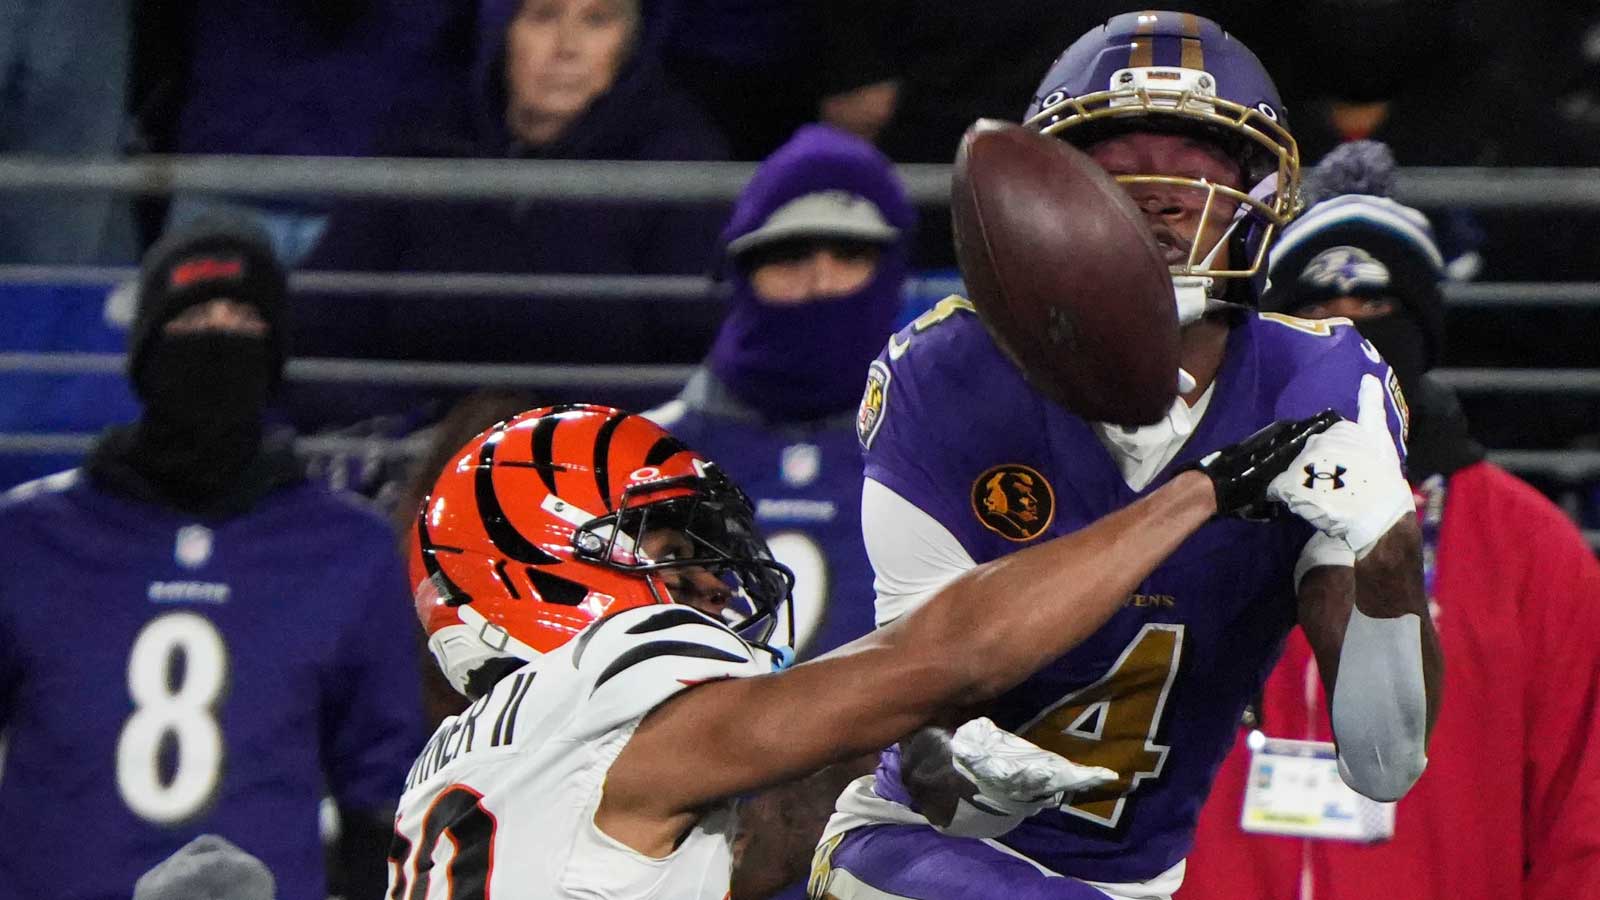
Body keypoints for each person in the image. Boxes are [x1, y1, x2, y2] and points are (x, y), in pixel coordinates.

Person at [807, 13, 1440, 900]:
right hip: (920, 857)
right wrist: (957, 775)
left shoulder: (1322, 380)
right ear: (1041, 200)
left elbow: (1384, 759)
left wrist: (1388, 550)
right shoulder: (947, 373)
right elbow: (912, 708)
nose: (1163, 193)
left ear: (1261, 189)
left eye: (1199, 160)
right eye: (1120, 161)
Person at [389, 401, 1346, 899]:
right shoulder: (600, 678)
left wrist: (898, 759)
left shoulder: (477, 757)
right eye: (672, 551)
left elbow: (758, 850)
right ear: (534, 561)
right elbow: (945, 660)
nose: (714, 584)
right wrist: (1195, 496)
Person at [1179, 144, 1600, 900]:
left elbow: (1584, 809)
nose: (1348, 332)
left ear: (1424, 330)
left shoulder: (1533, 549)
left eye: (1377, 308)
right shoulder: (1187, 511)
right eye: (1314, 309)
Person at [0, 216, 424, 900]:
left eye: (245, 319)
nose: (220, 339)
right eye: (195, 315)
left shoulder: (348, 550)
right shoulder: (25, 538)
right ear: (145, 348)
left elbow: (386, 798)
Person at [298, 0, 729, 367]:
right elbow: (323, 326)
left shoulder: (679, 162)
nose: (567, 49)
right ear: (501, 31)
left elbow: (695, 357)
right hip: (422, 442)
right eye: (543, 16)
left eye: (598, 21)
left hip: (599, 448)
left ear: (630, 43)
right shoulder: (422, 144)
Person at [647, 123, 914, 662]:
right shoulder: (645, 455)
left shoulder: (954, 454)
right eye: (789, 255)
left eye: (849, 253)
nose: (820, 280)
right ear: (742, 271)